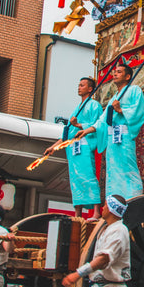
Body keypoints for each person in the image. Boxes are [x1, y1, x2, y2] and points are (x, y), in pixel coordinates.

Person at [76, 61, 144, 200]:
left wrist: (121, 110)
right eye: (115, 72)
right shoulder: (114, 98)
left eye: (119, 72)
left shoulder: (134, 90)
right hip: (112, 139)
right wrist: (86, 130)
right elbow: (102, 120)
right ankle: (115, 201)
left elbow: (138, 111)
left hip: (124, 136)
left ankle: (133, 199)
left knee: (128, 167)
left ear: (128, 77)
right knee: (113, 171)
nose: (115, 74)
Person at [49, 77, 103, 216]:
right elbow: (68, 133)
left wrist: (79, 125)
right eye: (78, 85)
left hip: (85, 144)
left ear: (90, 89)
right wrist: (54, 147)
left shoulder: (94, 105)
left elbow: (97, 124)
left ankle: (96, 211)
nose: (79, 87)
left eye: (82, 85)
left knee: (88, 176)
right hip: (74, 147)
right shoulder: (76, 109)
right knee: (75, 179)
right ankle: (77, 212)